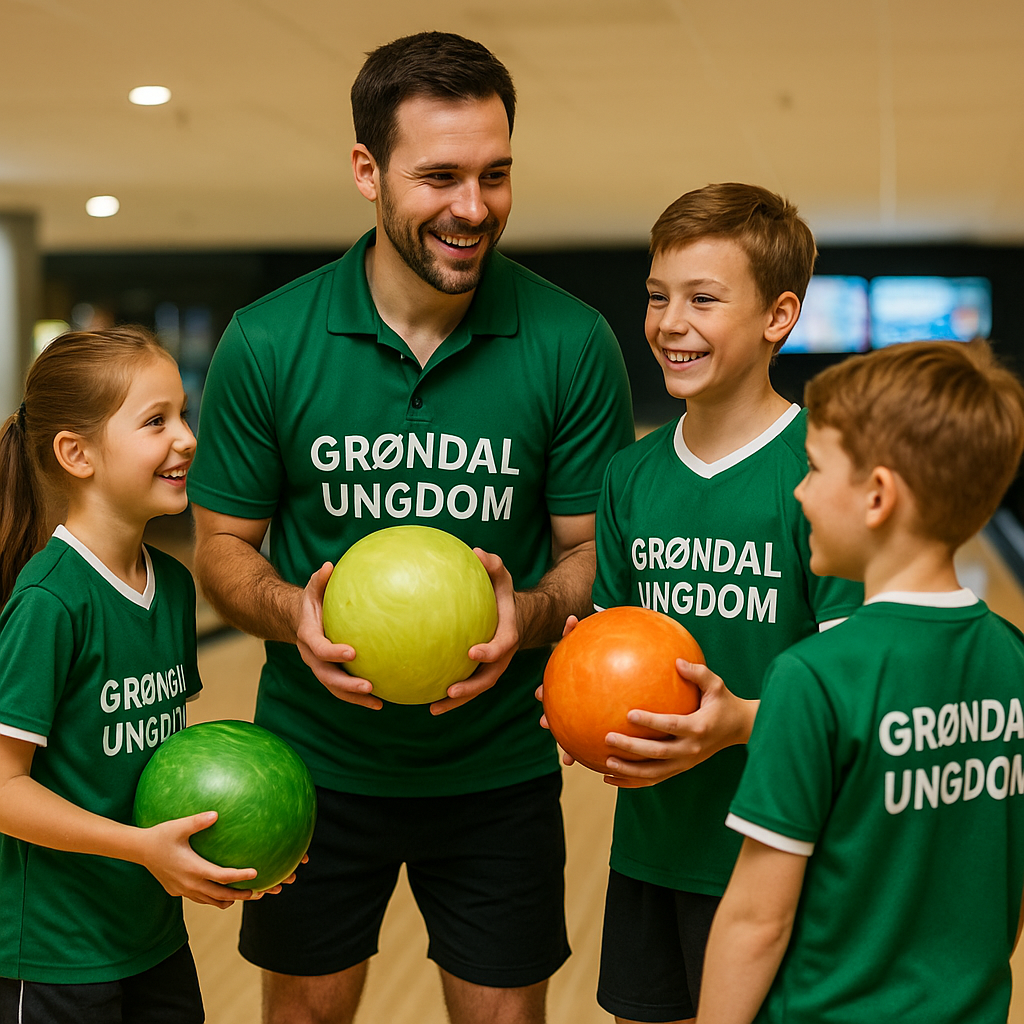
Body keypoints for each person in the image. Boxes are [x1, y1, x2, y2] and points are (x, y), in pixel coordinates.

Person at [186, 30, 634, 1024]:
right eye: (439, 176)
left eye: (494, 174)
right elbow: (221, 549)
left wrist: (532, 610)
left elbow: (591, 549)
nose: (472, 208)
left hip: (498, 767)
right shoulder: (270, 340)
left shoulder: (568, 342)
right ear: (366, 170)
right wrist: (285, 611)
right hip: (311, 764)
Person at [579, 183, 863, 1024]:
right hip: (651, 849)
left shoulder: (823, 470)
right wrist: (575, 695)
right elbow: (611, 644)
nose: (670, 322)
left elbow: (858, 695)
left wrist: (736, 722)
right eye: (658, 296)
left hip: (780, 855)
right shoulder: (629, 476)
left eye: (704, 298)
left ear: (779, 316)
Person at [697, 340, 1024, 1024]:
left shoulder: (813, 678)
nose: (799, 489)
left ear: (878, 496)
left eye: (815, 468)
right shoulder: (1011, 659)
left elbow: (757, 921)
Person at [0, 327, 278, 1024]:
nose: (185, 437)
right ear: (77, 453)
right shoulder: (50, 602)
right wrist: (140, 849)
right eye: (156, 421)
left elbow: (159, 767)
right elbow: (3, 791)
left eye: (183, 414)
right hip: (57, 952)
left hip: (150, 934)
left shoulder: (175, 587)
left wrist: (251, 837)